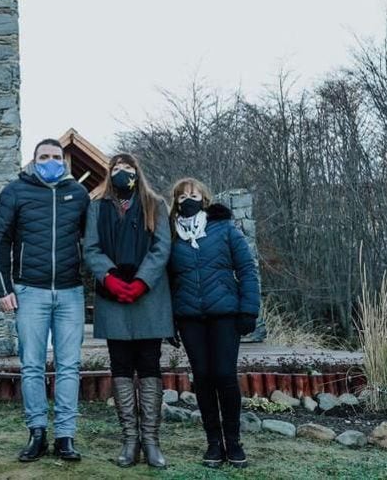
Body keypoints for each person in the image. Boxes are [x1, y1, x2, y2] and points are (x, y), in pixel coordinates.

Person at [0, 139, 90, 462]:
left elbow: (93, 243)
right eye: (44, 157)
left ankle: (65, 436)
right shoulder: (15, 191)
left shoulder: (79, 194)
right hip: (28, 291)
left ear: (64, 161)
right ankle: (37, 432)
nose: (50, 161)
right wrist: (3, 287)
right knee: (31, 365)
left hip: (71, 292)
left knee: (69, 366)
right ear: (33, 161)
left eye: (56, 157)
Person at [84, 153, 172, 468]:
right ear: (110, 174)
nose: (123, 172)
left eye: (128, 168)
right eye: (116, 168)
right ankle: (129, 441)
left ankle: (151, 441)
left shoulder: (155, 204)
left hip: (148, 298)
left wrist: (140, 282)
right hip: (113, 297)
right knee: (120, 366)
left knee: (149, 365)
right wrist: (109, 277)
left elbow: (162, 247)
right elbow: (90, 248)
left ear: (137, 171)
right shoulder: (97, 207)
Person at [168, 178, 260, 469]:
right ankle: (213, 443)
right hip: (189, 317)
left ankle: (233, 441)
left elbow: (246, 268)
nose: (188, 199)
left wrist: (249, 310)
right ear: (175, 202)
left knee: (224, 375)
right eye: (182, 196)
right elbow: (166, 282)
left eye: (193, 194)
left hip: (225, 314)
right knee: (203, 377)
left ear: (204, 198)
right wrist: (167, 321)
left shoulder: (223, 229)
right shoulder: (170, 234)